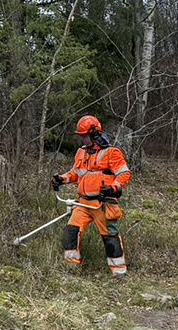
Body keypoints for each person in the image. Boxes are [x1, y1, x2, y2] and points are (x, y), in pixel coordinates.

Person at [51, 115, 130, 279]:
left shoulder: (111, 153)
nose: (82, 139)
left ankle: (119, 272)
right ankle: (71, 268)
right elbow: (76, 173)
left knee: (110, 236)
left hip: (102, 203)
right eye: (80, 136)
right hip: (82, 202)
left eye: (84, 136)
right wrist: (62, 179)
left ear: (94, 134)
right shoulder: (81, 152)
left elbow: (124, 174)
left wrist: (113, 187)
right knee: (71, 231)